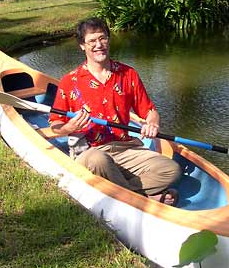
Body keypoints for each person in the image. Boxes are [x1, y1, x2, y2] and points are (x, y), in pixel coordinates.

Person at [49, 17, 181, 204]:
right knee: (99, 160)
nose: (99, 45)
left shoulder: (128, 74)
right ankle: (143, 198)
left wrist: (153, 123)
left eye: (103, 38)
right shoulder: (69, 81)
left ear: (109, 40)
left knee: (171, 170)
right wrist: (69, 127)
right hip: (90, 151)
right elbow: (55, 124)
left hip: (126, 147)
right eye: (92, 41)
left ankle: (123, 188)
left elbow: (150, 111)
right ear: (82, 46)